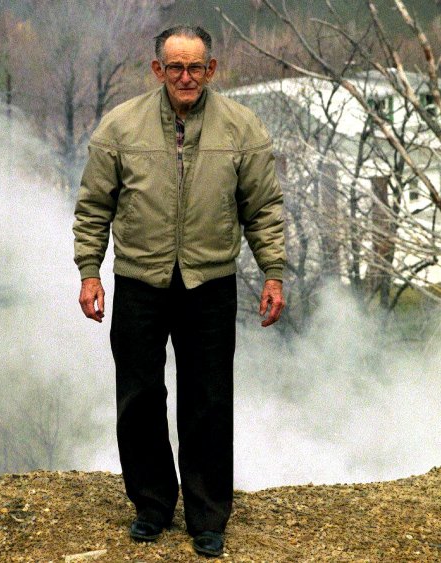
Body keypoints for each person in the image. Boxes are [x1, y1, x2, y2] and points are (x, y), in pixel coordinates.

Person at [72, 25, 285, 558]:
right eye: (175, 68)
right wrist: (89, 272)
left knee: (208, 400)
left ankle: (207, 516)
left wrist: (274, 273)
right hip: (140, 280)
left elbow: (262, 208)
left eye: (195, 67)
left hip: (209, 281)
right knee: (139, 397)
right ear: (157, 70)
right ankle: (151, 506)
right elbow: (94, 207)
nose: (185, 77)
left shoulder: (242, 127)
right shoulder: (120, 127)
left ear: (212, 69)